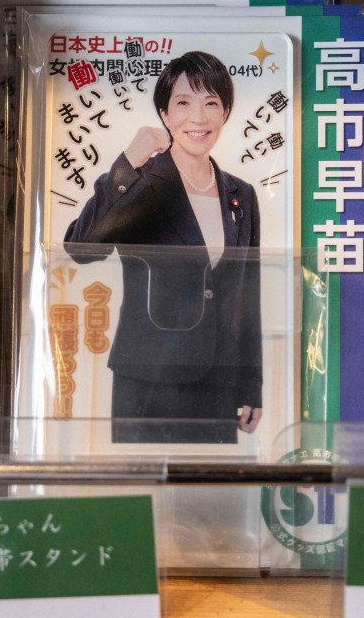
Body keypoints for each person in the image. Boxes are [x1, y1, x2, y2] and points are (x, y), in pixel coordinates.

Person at [64, 51, 262, 444]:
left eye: (211, 104)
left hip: (218, 379)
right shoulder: (140, 183)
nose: (198, 118)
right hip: (147, 376)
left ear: (225, 113)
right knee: (144, 482)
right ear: (164, 113)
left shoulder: (241, 194)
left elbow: (246, 296)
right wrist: (128, 162)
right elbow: (82, 249)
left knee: (210, 484)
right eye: (183, 103)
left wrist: (251, 384)